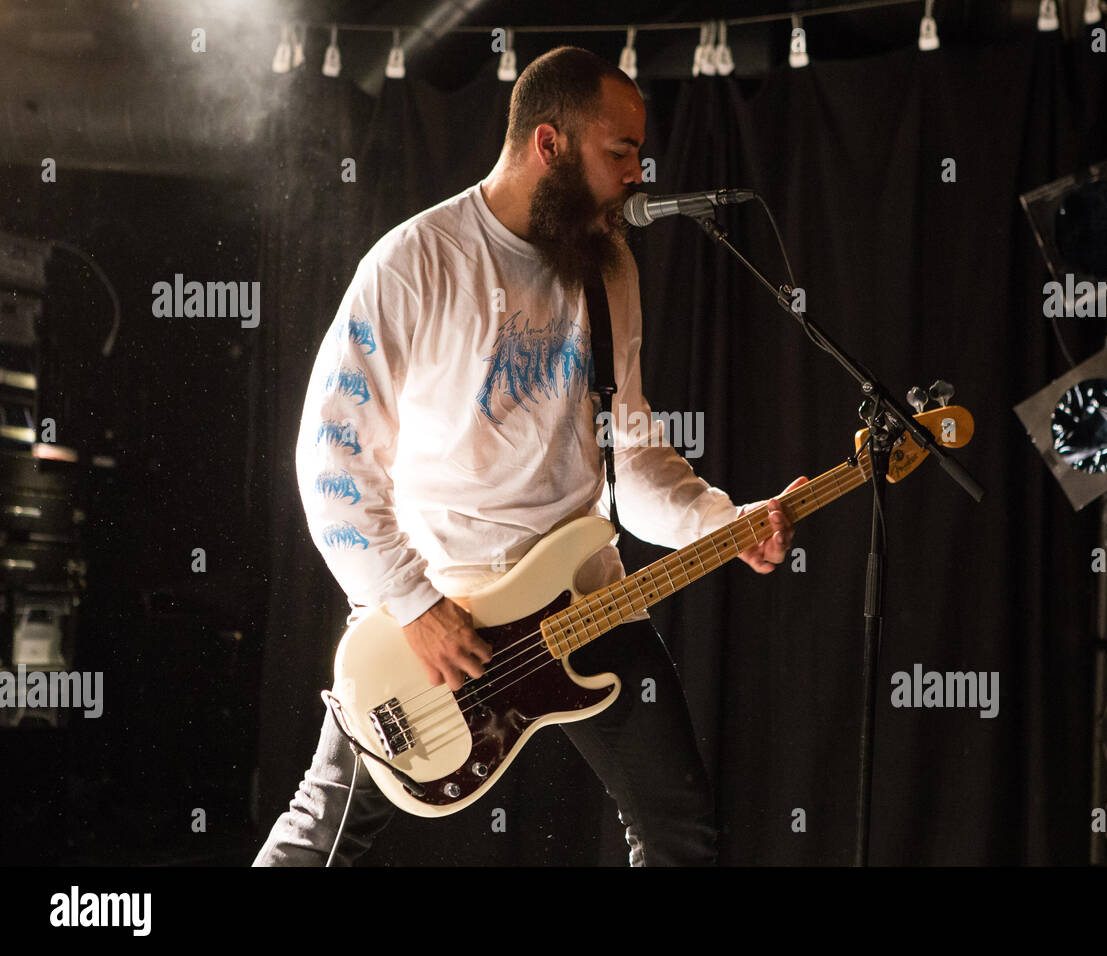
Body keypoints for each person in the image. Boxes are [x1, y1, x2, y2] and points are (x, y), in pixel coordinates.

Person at [253, 45, 807, 867]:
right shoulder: (416, 263)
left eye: (641, 155)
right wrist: (410, 603)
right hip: (443, 610)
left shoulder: (606, 268)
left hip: (585, 598)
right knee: (324, 835)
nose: (637, 175)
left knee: (683, 837)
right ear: (548, 145)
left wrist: (724, 523)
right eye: (619, 152)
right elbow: (329, 459)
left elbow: (636, 461)